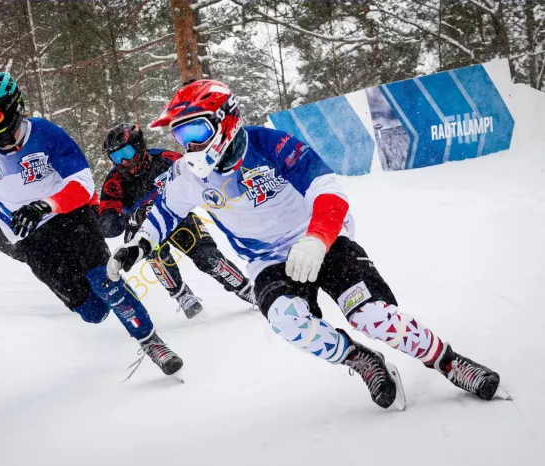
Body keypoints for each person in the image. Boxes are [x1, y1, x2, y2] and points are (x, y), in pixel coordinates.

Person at [106, 79, 503, 409]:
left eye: (196, 131)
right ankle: (361, 359)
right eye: (180, 134)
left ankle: (448, 361)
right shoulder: (188, 174)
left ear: (225, 121)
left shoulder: (272, 146)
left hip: (321, 240)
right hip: (266, 261)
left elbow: (328, 189)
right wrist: (136, 248)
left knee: (372, 317)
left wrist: (317, 239)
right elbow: (164, 213)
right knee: (288, 321)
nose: (189, 144)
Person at [0, 72, 183, 378]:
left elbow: (83, 184)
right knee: (94, 312)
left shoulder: (46, 134)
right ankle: (111, 299)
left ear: (13, 109)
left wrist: (46, 204)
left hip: (70, 216)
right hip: (29, 238)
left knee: (104, 279)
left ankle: (152, 343)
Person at [98, 122, 255, 319]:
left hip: (179, 217)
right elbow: (107, 222)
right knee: (153, 252)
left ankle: (246, 289)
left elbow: (203, 178)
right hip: (142, 228)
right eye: (115, 157)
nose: (123, 162)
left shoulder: (167, 159)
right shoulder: (113, 182)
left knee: (208, 257)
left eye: (126, 153)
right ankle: (182, 295)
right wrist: (123, 217)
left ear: (139, 146)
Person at [0, 183, 99, 262]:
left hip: (41, 219)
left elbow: (79, 181)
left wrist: (94, 206)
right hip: (1, 230)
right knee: (43, 259)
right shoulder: (0, 178)